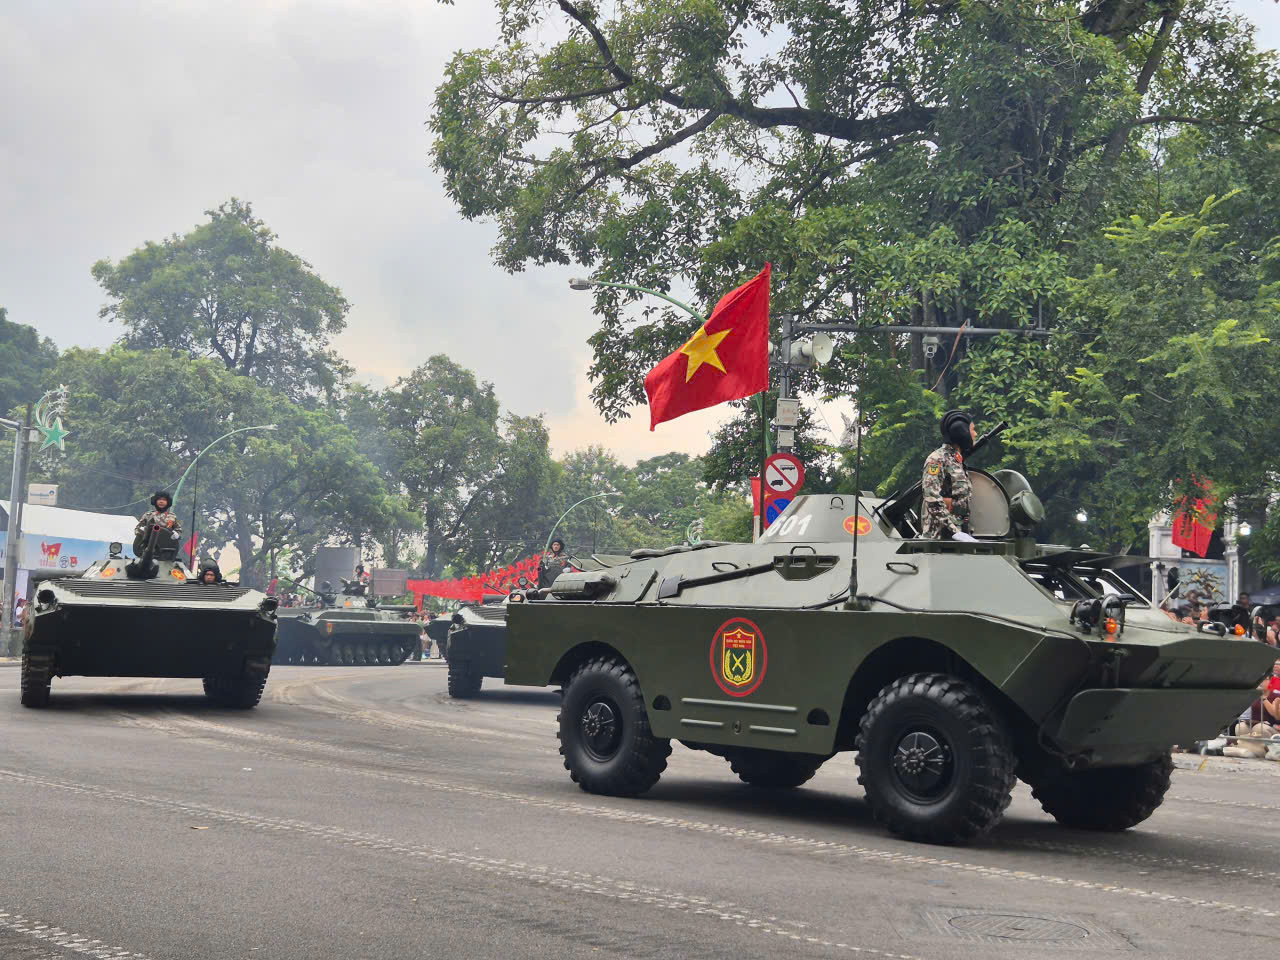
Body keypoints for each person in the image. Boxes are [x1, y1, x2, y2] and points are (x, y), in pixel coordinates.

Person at [921, 410, 978, 541]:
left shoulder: (957, 460)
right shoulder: (937, 459)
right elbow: (931, 497)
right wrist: (954, 531)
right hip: (939, 538)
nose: (975, 434)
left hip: (956, 536)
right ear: (962, 432)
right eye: (973, 430)